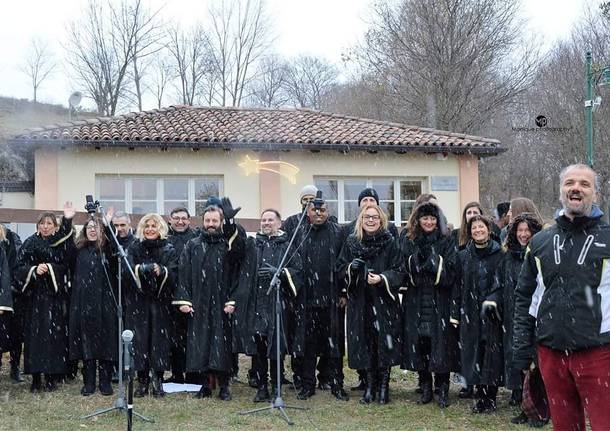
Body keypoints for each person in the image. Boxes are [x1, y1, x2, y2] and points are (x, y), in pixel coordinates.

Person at [513, 164, 610, 430]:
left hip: (599, 353)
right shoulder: (540, 242)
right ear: (561, 192)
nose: (576, 188)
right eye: (569, 183)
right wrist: (522, 348)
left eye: (584, 184)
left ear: (596, 194)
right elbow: (525, 298)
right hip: (551, 354)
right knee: (566, 426)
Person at [173, 200, 244, 401]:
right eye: (207, 220)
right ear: (202, 221)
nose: (211, 224)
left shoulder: (227, 244)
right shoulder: (193, 245)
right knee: (201, 344)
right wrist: (184, 300)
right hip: (199, 302)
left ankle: (224, 386)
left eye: (215, 220)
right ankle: (204, 385)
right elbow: (184, 273)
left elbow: (238, 263)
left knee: (222, 345)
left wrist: (233, 299)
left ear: (220, 222)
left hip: (222, 302)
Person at [336, 204, 403, 404]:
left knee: (383, 343)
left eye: (374, 217)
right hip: (361, 301)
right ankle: (370, 386)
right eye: (367, 217)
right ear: (361, 220)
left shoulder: (390, 243)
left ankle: (384, 387)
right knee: (365, 343)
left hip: (383, 301)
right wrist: (351, 268)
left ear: (381, 220)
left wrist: (382, 278)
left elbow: (399, 270)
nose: (371, 220)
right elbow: (339, 269)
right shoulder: (351, 242)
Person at [400, 202, 459, 408]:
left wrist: (432, 262)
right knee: (421, 344)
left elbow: (451, 270)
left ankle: (442, 389)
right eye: (425, 218)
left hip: (439, 300)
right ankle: (425, 386)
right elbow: (403, 267)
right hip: (416, 300)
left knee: (441, 345)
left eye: (432, 219)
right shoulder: (409, 240)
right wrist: (417, 261)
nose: (429, 222)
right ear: (418, 220)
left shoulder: (446, 240)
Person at [292, 200, 349, 401]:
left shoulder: (338, 232)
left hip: (332, 300)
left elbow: (344, 262)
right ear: (307, 212)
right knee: (308, 346)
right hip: (307, 300)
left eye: (322, 210)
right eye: (314, 210)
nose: (318, 213)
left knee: (334, 346)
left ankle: (336, 383)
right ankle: (308, 384)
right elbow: (294, 262)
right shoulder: (301, 233)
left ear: (328, 212)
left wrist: (343, 291)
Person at [243, 209, 302, 403]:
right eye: (264, 220)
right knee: (259, 348)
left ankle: (277, 387)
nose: (267, 223)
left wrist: (281, 273)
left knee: (277, 347)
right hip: (257, 303)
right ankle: (261, 386)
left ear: (279, 223)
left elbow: (298, 271)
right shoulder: (253, 244)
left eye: (271, 219)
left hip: (279, 304)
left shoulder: (287, 245)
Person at [490, 213, 543, 426]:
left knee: (538, 362)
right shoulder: (508, 257)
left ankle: (542, 405)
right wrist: (493, 301)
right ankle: (525, 404)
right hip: (515, 317)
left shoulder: (541, 253)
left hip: (538, 315)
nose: (523, 234)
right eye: (520, 230)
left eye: (527, 230)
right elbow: (499, 285)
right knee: (520, 360)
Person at [16, 203, 75, 392]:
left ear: (55, 226)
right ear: (38, 225)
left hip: (54, 296)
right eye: (43, 223)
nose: (46, 226)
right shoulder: (30, 243)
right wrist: (34, 270)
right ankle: (35, 377)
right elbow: (19, 268)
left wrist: (49, 268)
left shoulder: (58, 242)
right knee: (34, 338)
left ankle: (51, 377)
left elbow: (65, 264)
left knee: (54, 337)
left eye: (50, 223)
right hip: (34, 297)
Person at [455, 214, 504, 413]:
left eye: (481, 227)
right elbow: (459, 286)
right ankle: (479, 394)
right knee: (474, 353)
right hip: (471, 313)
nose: (477, 230)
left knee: (491, 354)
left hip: (492, 314)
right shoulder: (464, 256)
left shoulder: (500, 254)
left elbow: (502, 284)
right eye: (474, 228)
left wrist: (493, 299)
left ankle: (490, 396)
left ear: (488, 229)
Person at [126, 213, 178, 398]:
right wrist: (142, 269)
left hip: (160, 302)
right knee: (140, 341)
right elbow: (128, 271)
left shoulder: (169, 249)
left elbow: (173, 274)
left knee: (159, 341)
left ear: (160, 228)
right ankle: (142, 382)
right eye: (146, 226)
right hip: (138, 301)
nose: (149, 229)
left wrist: (161, 271)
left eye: (153, 226)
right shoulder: (134, 247)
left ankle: (158, 381)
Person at [69, 217, 118, 396]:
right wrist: (67, 221)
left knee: (106, 341)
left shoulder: (109, 250)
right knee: (86, 342)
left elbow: (116, 247)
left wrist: (109, 224)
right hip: (83, 303)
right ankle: (88, 381)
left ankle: (105, 381)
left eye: (96, 227)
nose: (92, 230)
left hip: (106, 302)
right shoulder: (78, 250)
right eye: (89, 227)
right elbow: (66, 255)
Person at [166, 206, 199, 385]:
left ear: (189, 220)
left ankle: (192, 373)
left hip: (192, 295)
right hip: (169, 295)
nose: (180, 221)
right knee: (174, 338)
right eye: (176, 218)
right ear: (170, 220)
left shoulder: (196, 238)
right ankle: (177, 374)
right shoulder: (165, 238)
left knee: (191, 337)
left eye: (183, 218)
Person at [0, 224, 23, 383]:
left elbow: (17, 264)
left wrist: (12, 286)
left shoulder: (12, 238)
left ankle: (15, 367)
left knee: (14, 333)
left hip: (12, 295)